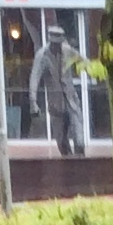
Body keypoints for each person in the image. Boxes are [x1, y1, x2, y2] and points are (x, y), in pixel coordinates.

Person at [30, 23, 84, 156]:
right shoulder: (42, 55)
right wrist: (33, 102)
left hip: (71, 99)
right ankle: (68, 162)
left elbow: (83, 62)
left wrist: (91, 70)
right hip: (56, 103)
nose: (56, 46)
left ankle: (81, 159)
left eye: (58, 43)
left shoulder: (68, 50)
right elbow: (34, 78)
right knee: (61, 140)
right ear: (50, 41)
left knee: (79, 136)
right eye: (54, 43)